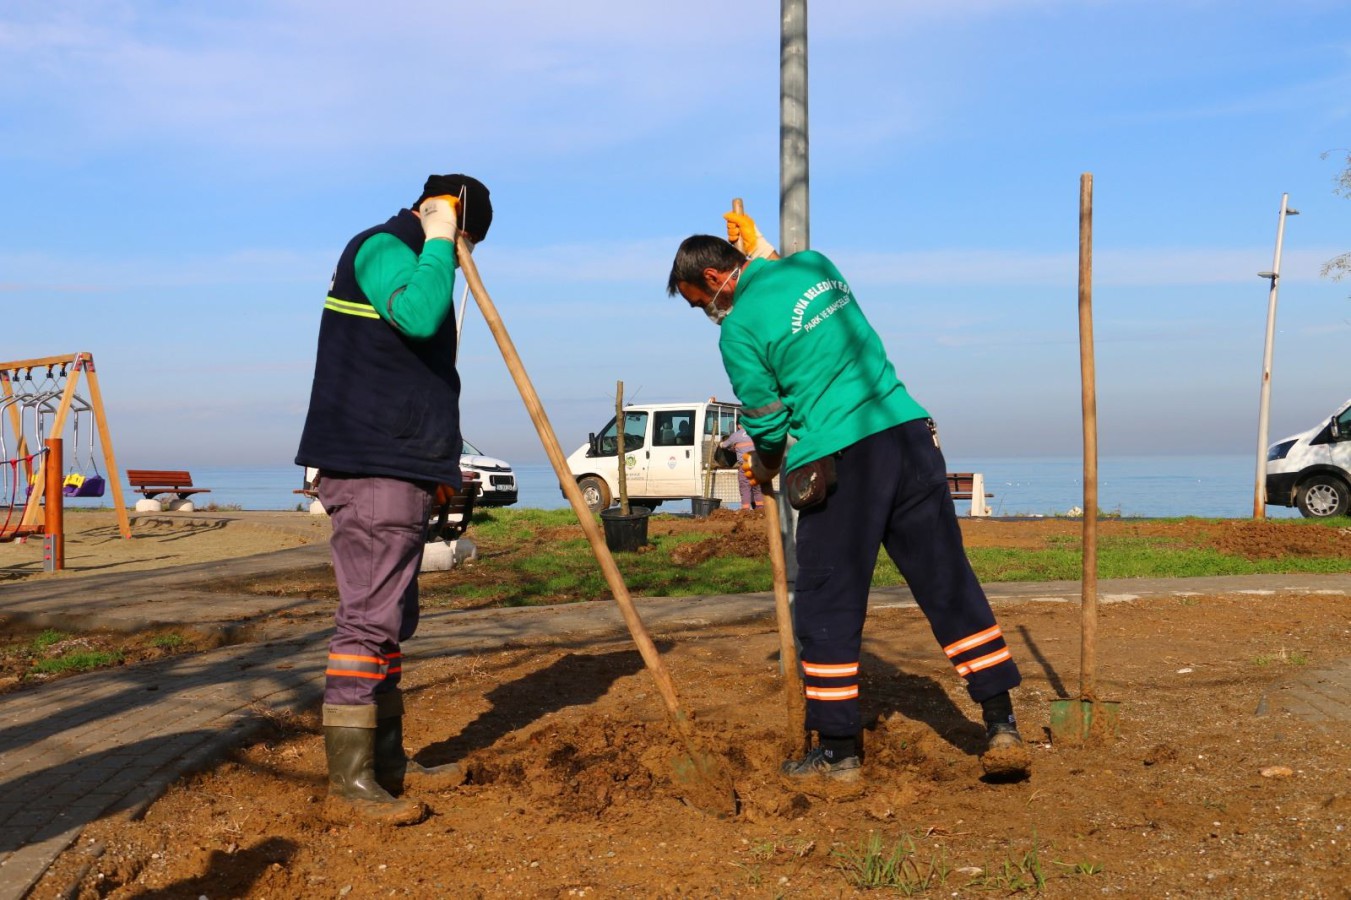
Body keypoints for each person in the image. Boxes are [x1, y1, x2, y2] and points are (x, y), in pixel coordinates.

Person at [665, 207, 1031, 781]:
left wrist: (763, 470)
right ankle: (1002, 723)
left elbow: (765, 423)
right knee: (948, 582)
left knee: (829, 604)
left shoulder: (737, 331)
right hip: (910, 438)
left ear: (713, 280)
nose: (707, 315)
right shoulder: (815, 265)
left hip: (841, 462)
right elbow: (779, 275)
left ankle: (838, 754)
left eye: (698, 303)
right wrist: (760, 248)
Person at [296, 173, 493, 824]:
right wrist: (439, 237)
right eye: (467, 244)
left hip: (400, 463)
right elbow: (416, 313)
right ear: (448, 221)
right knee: (366, 621)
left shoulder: (408, 259)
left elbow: (413, 369)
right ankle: (350, 784)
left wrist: (440, 461)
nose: (461, 260)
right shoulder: (384, 248)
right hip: (371, 462)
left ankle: (387, 761)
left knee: (391, 621)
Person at [719, 424, 762, 510]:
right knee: (758, 488)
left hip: (745, 465)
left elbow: (724, 445)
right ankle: (760, 510)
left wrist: (720, 444)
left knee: (745, 488)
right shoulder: (757, 432)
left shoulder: (736, 435)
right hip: (757, 464)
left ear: (739, 425)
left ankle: (745, 510)